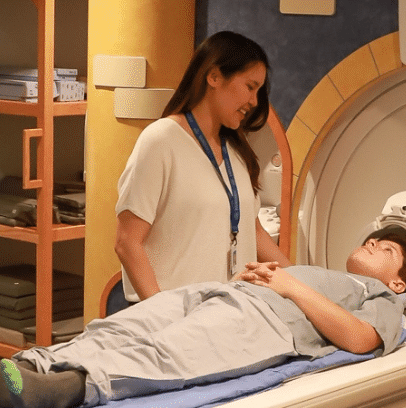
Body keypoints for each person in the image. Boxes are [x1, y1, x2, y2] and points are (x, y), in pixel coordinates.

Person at [0, 229, 406, 408]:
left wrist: (290, 286)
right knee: (121, 328)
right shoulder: (327, 273)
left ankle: (64, 389)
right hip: (224, 292)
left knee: (168, 353)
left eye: (388, 250)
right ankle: (27, 366)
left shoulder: (380, 299)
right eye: (375, 238)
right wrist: (266, 276)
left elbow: (360, 339)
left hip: (266, 325)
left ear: (399, 283)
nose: (375, 242)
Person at [114, 31, 291, 304]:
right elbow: (127, 242)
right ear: (214, 76)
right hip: (174, 316)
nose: (255, 101)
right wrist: (163, 314)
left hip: (228, 312)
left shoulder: (237, 153)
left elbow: (252, 231)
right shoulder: (161, 140)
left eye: (259, 91)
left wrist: (302, 284)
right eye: (250, 87)